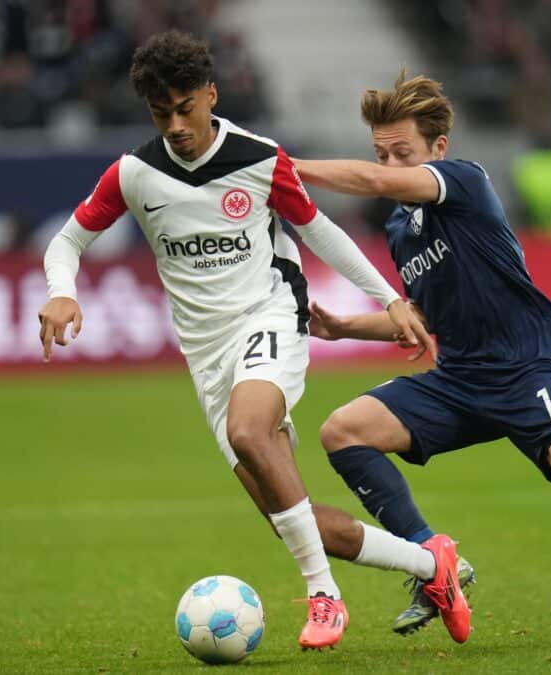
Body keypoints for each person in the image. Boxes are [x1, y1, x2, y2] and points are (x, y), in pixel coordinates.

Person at [38, 31, 471, 651]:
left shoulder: (258, 158)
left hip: (271, 317)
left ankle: (324, 596)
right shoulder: (134, 174)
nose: (177, 124)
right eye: (162, 114)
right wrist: (62, 290)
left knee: (250, 432)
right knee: (289, 519)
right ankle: (435, 567)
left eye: (186, 107)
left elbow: (320, 233)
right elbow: (68, 241)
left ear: (210, 95)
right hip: (206, 355)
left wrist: (390, 299)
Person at [293, 69, 551, 649]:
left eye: (402, 153)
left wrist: (286, 170)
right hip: (459, 380)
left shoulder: (463, 181)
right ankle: (436, 563)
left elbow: (371, 182)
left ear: (437, 149)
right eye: (382, 154)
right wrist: (347, 328)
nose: (391, 166)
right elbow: (424, 315)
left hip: (525, 368)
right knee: (344, 432)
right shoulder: (402, 228)